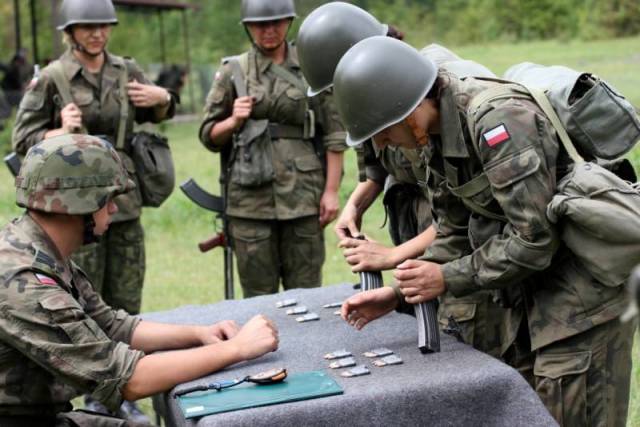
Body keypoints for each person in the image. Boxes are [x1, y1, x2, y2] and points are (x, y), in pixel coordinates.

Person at [335, 36, 634, 426]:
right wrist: (399, 294)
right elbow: (454, 229)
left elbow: (534, 239)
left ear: (410, 110)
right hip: (526, 302)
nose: (381, 143)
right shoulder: (434, 137)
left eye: (383, 130)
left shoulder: (496, 120)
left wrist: (445, 277)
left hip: (578, 305)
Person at [0, 134, 279, 427]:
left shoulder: (35, 247)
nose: (114, 209)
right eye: (108, 199)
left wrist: (200, 333)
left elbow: (111, 325)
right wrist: (237, 349)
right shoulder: (23, 280)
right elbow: (128, 380)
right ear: (78, 202)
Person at [296, 2, 518, 359]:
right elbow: (376, 168)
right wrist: (353, 208)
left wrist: (392, 255)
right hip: (436, 231)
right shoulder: (374, 102)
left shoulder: (416, 98)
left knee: (470, 336)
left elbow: (463, 210)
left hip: (468, 241)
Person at [11, 0, 177, 420]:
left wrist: (162, 98)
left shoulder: (125, 69)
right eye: (88, 27)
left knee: (125, 299)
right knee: (78, 301)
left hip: (119, 201)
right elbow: (22, 140)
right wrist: (58, 130)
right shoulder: (53, 77)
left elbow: (157, 111)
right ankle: (94, 389)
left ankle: (124, 392)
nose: (97, 33)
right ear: (71, 32)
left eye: (103, 26)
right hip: (74, 207)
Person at [198, 0, 347, 298]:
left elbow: (335, 133)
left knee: (307, 293)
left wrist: (331, 191)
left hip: (303, 196)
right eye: (260, 24)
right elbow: (208, 134)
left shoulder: (311, 66)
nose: (269, 30)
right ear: (248, 27)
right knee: (258, 297)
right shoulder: (233, 71)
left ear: (289, 22)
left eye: (276, 22)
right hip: (249, 202)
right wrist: (233, 121)